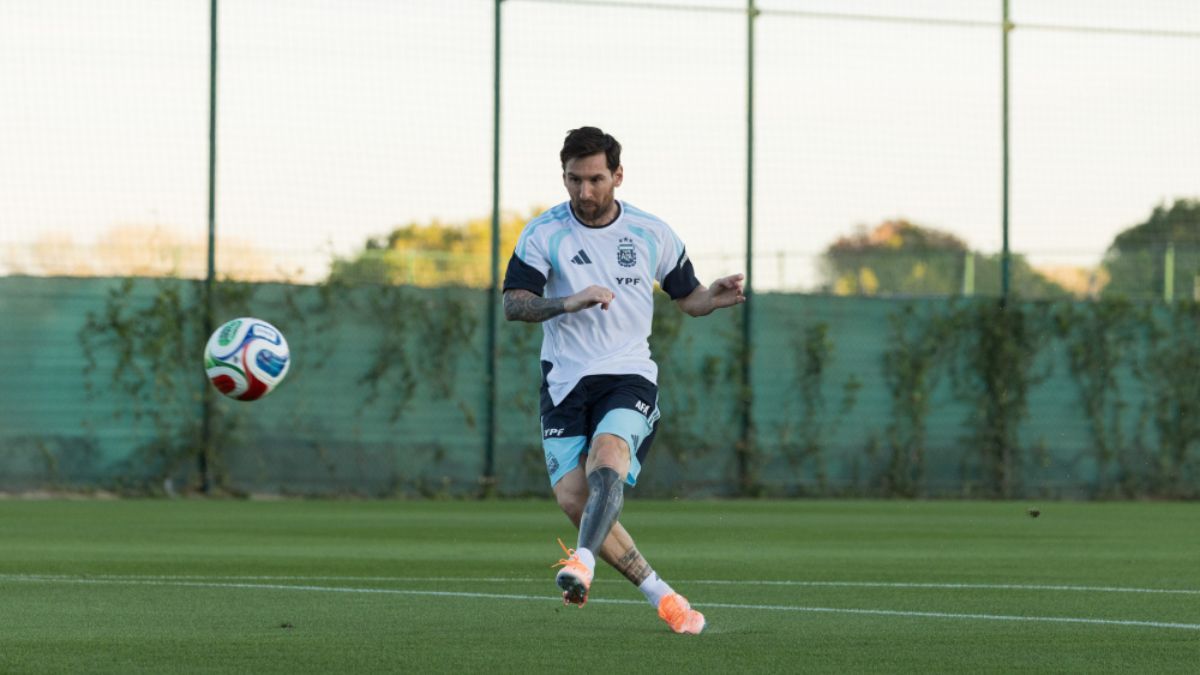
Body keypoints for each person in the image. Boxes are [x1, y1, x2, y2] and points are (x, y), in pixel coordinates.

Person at [501, 126, 746, 635]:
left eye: (594, 179)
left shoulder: (650, 231)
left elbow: (688, 296)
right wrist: (570, 300)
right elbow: (513, 304)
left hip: (628, 375)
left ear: (617, 174)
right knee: (574, 499)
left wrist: (712, 297)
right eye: (574, 180)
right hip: (565, 382)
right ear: (564, 176)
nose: (584, 192)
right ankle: (664, 596)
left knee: (608, 454)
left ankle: (583, 563)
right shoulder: (543, 232)